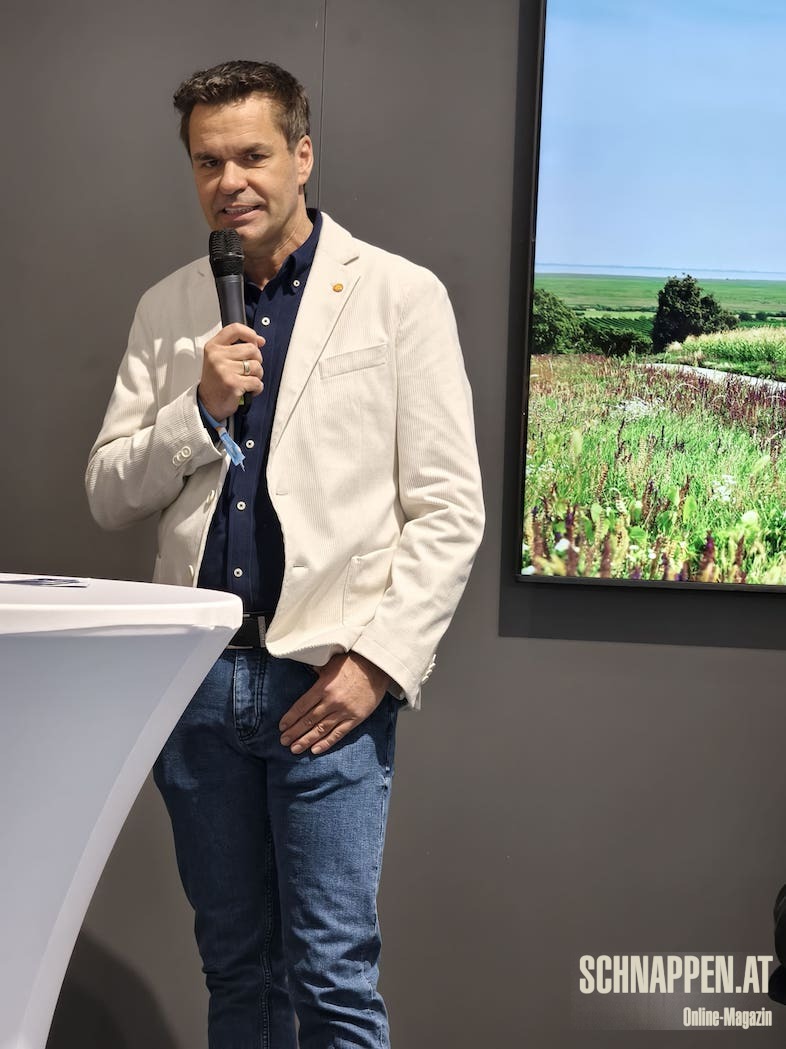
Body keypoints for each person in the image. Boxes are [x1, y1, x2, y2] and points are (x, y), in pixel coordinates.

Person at [86, 59, 484, 1049]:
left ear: (302, 156)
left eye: (253, 155)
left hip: (326, 681)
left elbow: (448, 508)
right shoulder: (169, 307)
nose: (231, 182)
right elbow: (109, 491)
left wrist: (378, 664)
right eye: (207, 161)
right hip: (196, 689)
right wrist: (197, 410)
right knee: (237, 968)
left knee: (332, 974)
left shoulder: (399, 295)